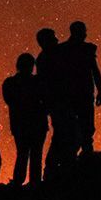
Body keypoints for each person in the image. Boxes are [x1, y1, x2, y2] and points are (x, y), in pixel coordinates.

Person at [2, 53, 47, 185]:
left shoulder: (10, 83)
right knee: (35, 155)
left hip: (20, 125)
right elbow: (44, 100)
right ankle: (34, 183)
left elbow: (10, 101)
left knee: (23, 154)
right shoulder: (37, 82)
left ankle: (18, 182)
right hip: (37, 124)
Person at [59, 22, 101, 156]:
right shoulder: (87, 49)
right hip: (79, 94)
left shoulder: (63, 49)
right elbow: (95, 71)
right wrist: (100, 91)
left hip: (73, 94)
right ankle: (82, 155)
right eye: (84, 31)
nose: (85, 34)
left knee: (81, 127)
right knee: (84, 126)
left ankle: (76, 156)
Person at [35, 27, 75, 172]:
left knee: (64, 133)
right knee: (64, 133)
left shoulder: (48, 56)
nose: (56, 39)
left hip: (59, 101)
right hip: (58, 102)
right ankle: (55, 165)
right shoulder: (46, 58)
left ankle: (57, 165)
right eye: (53, 37)